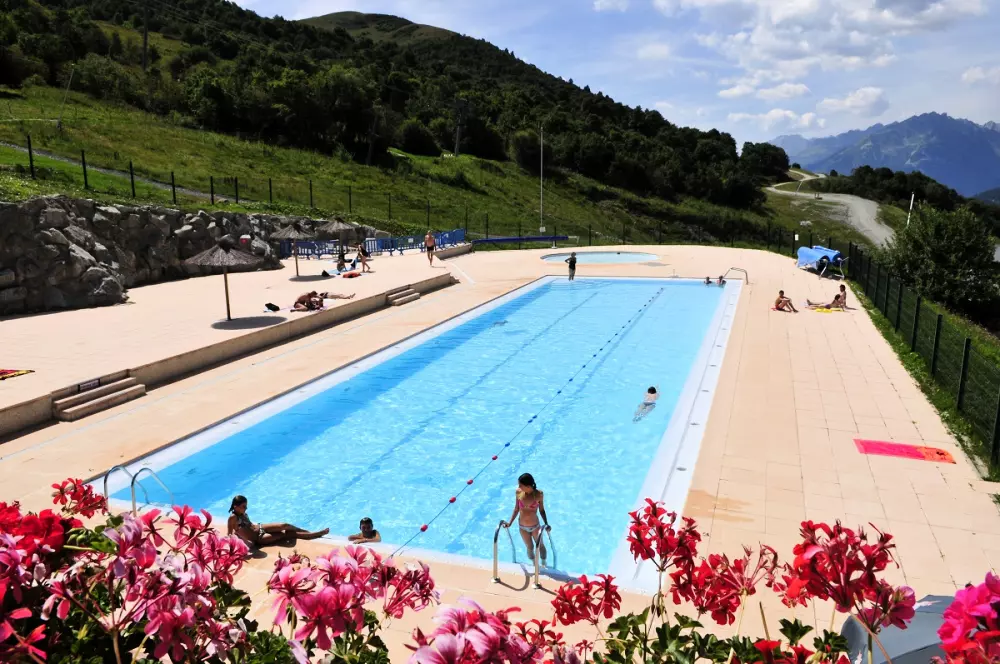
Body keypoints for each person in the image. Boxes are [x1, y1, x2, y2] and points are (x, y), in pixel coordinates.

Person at [227, 495, 329, 548]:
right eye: (243, 506)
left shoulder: (242, 513)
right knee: (285, 534)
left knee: (284, 525)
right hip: (259, 538)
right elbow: (230, 534)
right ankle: (314, 534)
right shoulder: (233, 518)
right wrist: (246, 543)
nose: (246, 508)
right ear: (235, 506)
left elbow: (244, 527)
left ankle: (306, 531)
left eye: (246, 505)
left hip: (260, 527)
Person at [502, 473, 550, 566]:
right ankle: (534, 564)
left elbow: (542, 510)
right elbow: (516, 509)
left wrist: (546, 524)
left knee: (540, 546)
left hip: (535, 526)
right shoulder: (518, 492)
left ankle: (544, 564)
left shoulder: (539, 494)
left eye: (520, 485)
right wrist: (510, 523)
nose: (519, 487)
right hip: (522, 527)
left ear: (528, 486)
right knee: (529, 547)